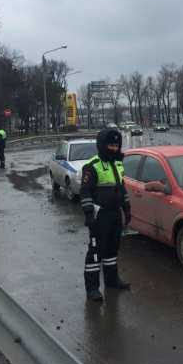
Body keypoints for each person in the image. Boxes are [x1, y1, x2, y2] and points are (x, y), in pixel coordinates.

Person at [80, 128, 132, 302]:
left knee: (112, 249)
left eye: (116, 145)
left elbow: (122, 188)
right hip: (99, 216)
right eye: (110, 145)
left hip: (114, 214)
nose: (114, 148)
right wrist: (89, 215)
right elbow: (85, 192)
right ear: (102, 145)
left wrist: (127, 208)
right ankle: (92, 288)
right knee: (96, 253)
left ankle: (112, 280)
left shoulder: (118, 163)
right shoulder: (92, 166)